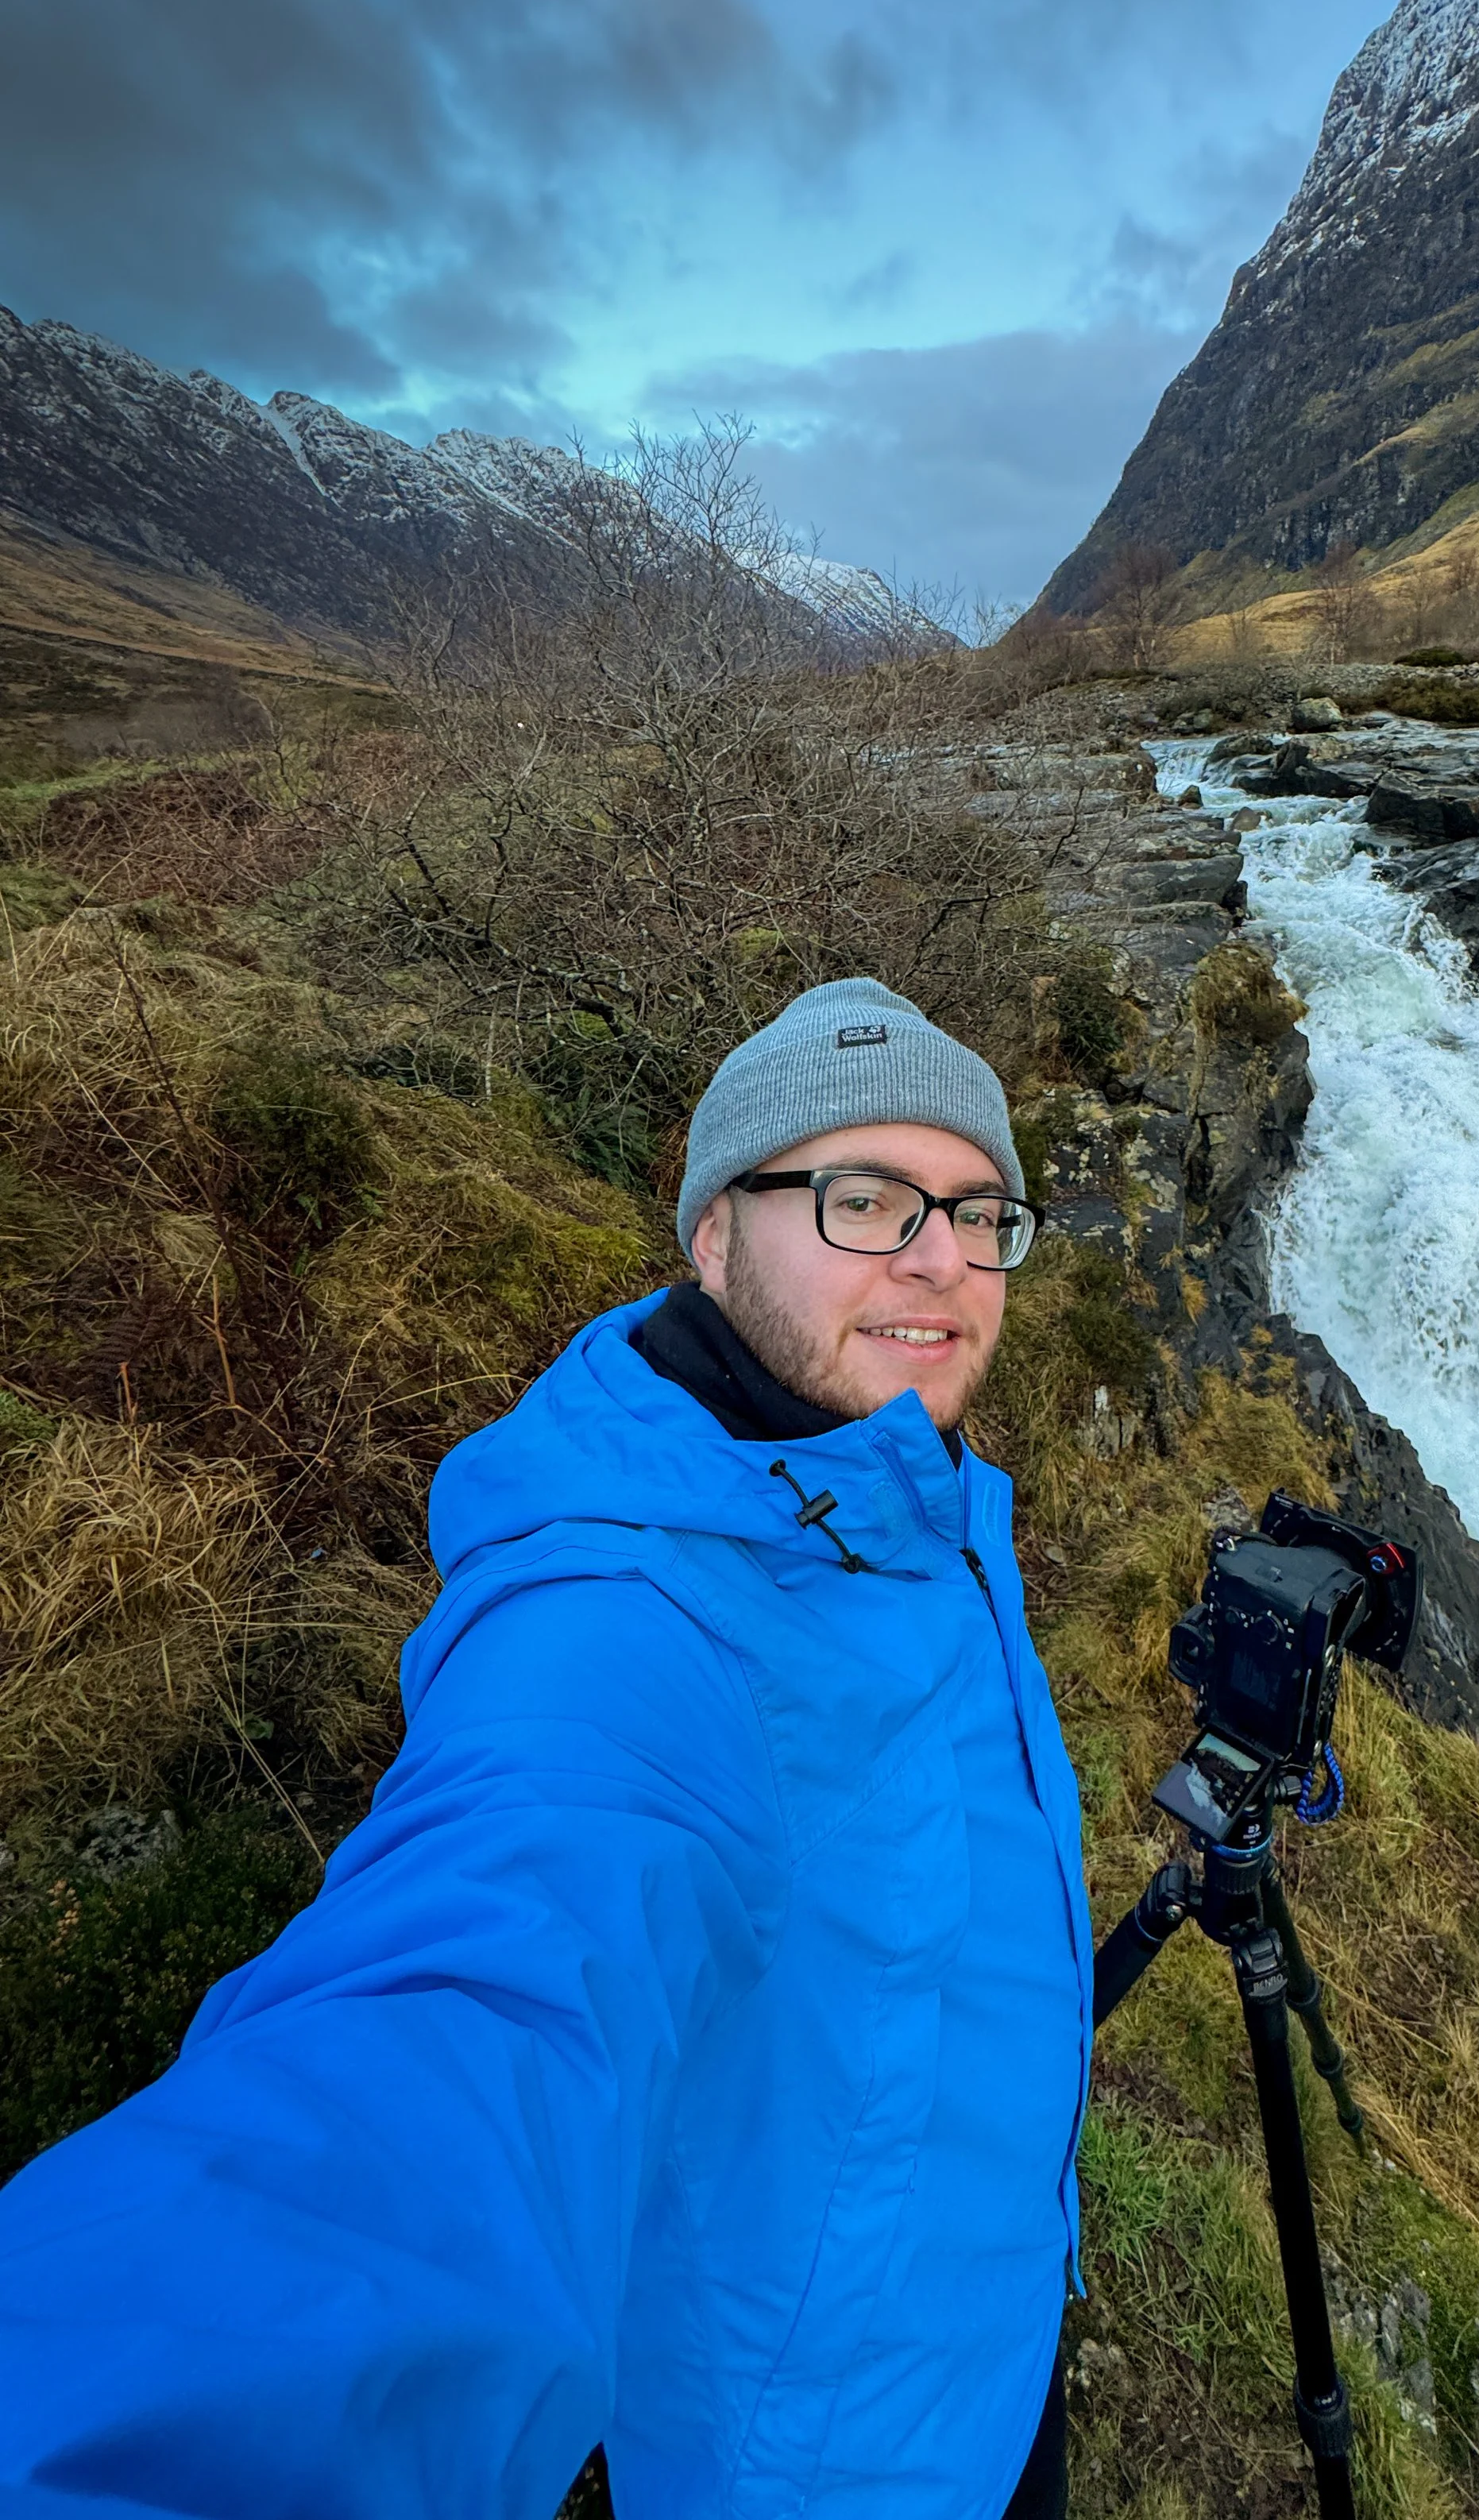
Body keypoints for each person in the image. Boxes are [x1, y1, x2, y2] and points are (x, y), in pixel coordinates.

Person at [0, 978, 1091, 2520]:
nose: (939, 1261)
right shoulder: (622, 1612)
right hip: (837, 2467)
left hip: (996, 2340)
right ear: (712, 1232)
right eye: (864, 1198)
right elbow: (448, 2039)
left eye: (978, 1212)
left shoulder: (912, 1487)